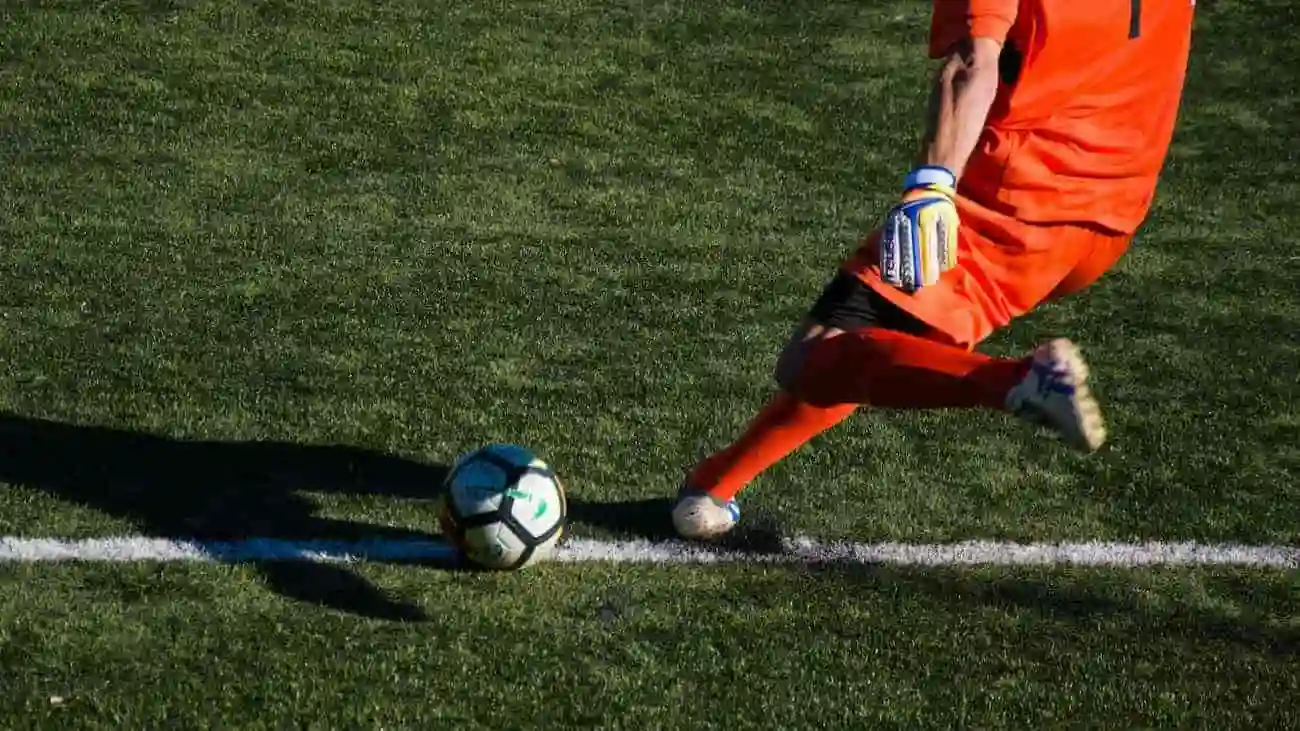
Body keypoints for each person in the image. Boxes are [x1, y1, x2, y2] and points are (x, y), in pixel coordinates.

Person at [672, 0, 1197, 539]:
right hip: (1113, 216)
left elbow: (974, 63)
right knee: (870, 338)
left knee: (812, 356)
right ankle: (712, 489)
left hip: (1016, 204)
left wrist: (933, 182)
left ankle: (1015, 381)